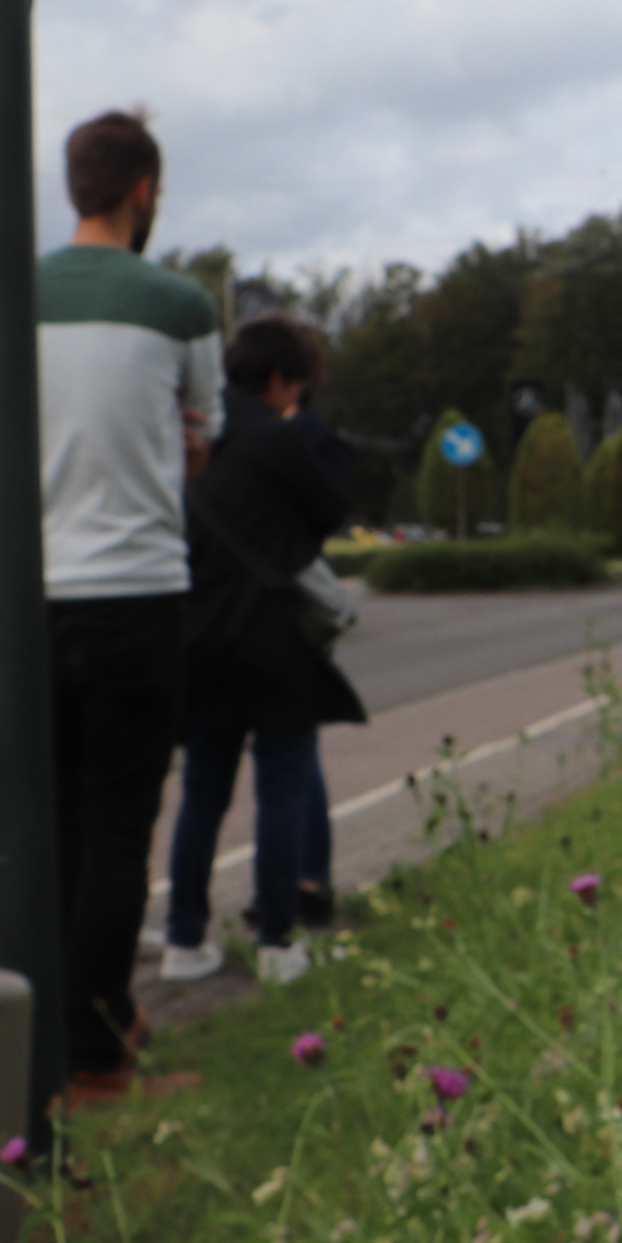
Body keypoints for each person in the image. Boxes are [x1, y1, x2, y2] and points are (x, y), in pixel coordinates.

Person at [36, 109, 219, 1104]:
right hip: (137, 594)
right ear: (143, 190)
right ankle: (95, 1056)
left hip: (34, 598)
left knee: (58, 827)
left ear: (76, 185)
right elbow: (202, 437)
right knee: (116, 829)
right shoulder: (179, 303)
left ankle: (81, 1022)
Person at [160, 317, 365, 986]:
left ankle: (184, 938)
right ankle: (278, 941)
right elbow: (330, 510)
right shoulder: (277, 439)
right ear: (279, 380)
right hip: (272, 640)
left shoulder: (187, 432)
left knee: (202, 794)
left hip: (197, 636)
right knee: (281, 787)